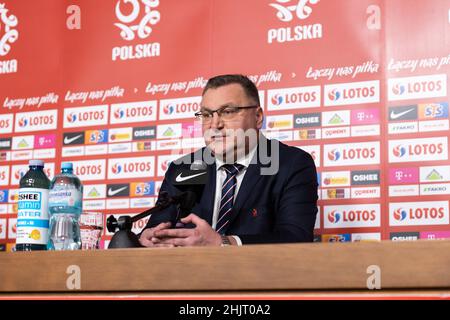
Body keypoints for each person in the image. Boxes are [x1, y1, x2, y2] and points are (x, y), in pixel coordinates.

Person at [139, 74, 318, 247]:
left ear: (257, 117)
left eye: (228, 112)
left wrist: (223, 243)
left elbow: (296, 238)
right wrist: (149, 238)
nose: (215, 124)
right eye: (207, 115)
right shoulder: (185, 168)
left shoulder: (291, 164)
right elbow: (157, 228)